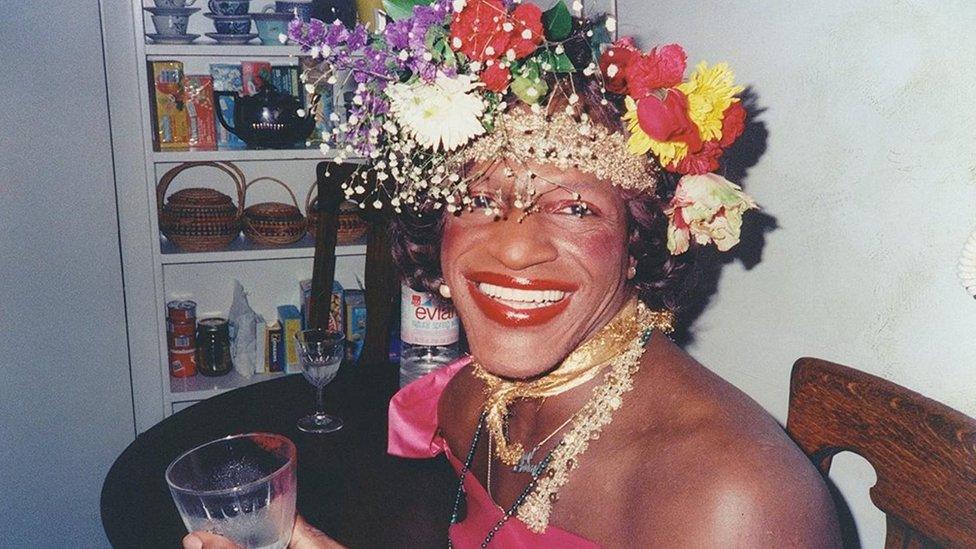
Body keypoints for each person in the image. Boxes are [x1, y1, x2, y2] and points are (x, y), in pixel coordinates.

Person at [185, 1, 842, 547]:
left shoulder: (735, 501)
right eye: (477, 199)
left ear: (640, 241)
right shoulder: (472, 400)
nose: (517, 248)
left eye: (575, 206)